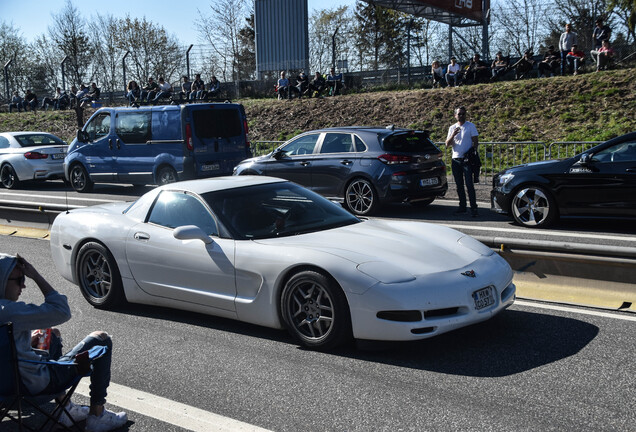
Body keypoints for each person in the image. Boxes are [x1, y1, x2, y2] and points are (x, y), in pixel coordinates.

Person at [0, 253, 128, 432]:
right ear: (3, 280)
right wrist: (35, 275)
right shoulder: (11, 312)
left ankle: (65, 408)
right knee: (102, 339)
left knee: (49, 333)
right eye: (19, 279)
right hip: (35, 388)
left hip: (4, 392)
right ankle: (97, 416)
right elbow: (61, 310)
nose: (23, 284)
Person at [445, 106, 479, 217]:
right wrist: (453, 134)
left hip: (467, 160)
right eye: (459, 114)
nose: (461, 116)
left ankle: (473, 208)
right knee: (459, 185)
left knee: (469, 184)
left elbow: (475, 142)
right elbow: (447, 144)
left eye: (463, 114)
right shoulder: (452, 128)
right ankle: (462, 206)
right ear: (455, 116)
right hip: (456, 159)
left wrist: (471, 152)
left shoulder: (470, 126)